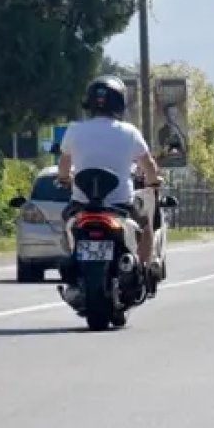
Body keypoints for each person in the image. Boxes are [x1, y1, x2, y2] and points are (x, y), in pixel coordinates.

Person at [56, 76, 162, 298]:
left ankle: (73, 257)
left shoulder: (75, 130)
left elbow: (64, 164)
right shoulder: (129, 132)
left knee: (67, 222)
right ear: (119, 103)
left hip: (83, 204)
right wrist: (153, 181)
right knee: (146, 222)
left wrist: (65, 179)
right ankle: (143, 269)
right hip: (120, 204)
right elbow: (149, 165)